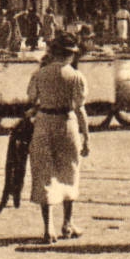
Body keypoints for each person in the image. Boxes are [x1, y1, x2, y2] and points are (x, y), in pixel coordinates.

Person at [26, 32, 90, 243]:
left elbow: (32, 98)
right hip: (67, 123)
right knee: (69, 172)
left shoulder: (40, 74)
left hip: (44, 122)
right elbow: (80, 109)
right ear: (71, 55)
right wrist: (86, 137)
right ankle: (68, 223)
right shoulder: (77, 77)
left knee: (44, 173)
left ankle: (48, 228)